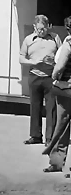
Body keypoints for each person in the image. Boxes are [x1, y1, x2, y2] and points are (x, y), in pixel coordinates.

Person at [20, 14, 62, 145]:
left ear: (48, 27)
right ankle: (35, 135)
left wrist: (55, 63)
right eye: (39, 29)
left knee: (51, 109)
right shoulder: (28, 40)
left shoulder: (55, 38)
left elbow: (62, 56)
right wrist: (32, 62)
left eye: (43, 29)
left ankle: (50, 138)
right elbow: (21, 58)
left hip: (50, 77)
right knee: (35, 107)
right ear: (34, 27)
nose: (41, 32)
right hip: (34, 76)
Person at [43, 15, 71, 173]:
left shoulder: (68, 44)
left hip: (65, 88)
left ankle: (56, 162)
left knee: (62, 126)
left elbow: (59, 67)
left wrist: (54, 76)